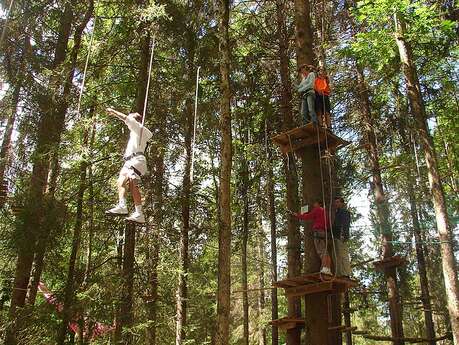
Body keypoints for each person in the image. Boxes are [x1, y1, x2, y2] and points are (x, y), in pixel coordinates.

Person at [105, 107, 153, 223]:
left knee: (132, 183)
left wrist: (114, 111)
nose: (128, 122)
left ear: (135, 120)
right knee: (121, 181)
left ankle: (139, 213)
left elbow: (126, 119)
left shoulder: (139, 128)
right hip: (130, 161)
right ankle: (122, 206)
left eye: (131, 118)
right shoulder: (136, 133)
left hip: (137, 160)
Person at [293, 200, 332, 275]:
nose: (314, 205)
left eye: (315, 203)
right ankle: (328, 268)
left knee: (321, 251)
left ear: (318, 204)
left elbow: (307, 216)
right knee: (325, 251)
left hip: (318, 232)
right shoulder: (325, 212)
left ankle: (325, 268)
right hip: (324, 233)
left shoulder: (317, 209)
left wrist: (297, 215)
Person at [331, 197, 351, 277]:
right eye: (335, 202)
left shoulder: (344, 212)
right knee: (336, 255)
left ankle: (346, 273)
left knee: (343, 255)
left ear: (342, 203)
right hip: (336, 236)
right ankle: (339, 273)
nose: (336, 204)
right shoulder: (337, 213)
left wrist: (343, 235)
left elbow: (345, 224)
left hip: (341, 236)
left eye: (338, 202)